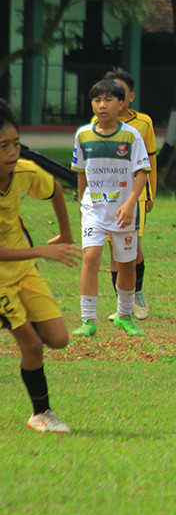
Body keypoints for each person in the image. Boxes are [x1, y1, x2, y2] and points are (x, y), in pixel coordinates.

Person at [0, 100, 82, 432]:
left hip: (24, 273)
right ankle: (41, 414)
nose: (12, 151)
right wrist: (41, 252)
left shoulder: (24, 172)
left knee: (58, 338)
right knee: (32, 345)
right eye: (4, 145)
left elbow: (56, 191)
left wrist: (65, 232)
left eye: (16, 143)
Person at [71, 79, 151, 339]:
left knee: (126, 265)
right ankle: (88, 320)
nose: (102, 106)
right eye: (97, 100)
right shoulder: (83, 134)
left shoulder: (131, 135)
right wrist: (82, 200)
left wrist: (130, 203)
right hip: (94, 210)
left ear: (121, 103)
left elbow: (141, 173)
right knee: (91, 257)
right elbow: (81, 172)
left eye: (108, 100)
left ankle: (125, 315)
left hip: (123, 212)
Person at [97, 68, 157, 322]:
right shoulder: (95, 124)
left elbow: (150, 161)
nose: (111, 99)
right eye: (107, 94)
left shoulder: (142, 123)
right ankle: (124, 304)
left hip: (135, 195)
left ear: (129, 97)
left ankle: (138, 296)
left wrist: (151, 193)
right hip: (107, 195)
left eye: (118, 93)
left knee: (132, 246)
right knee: (113, 249)